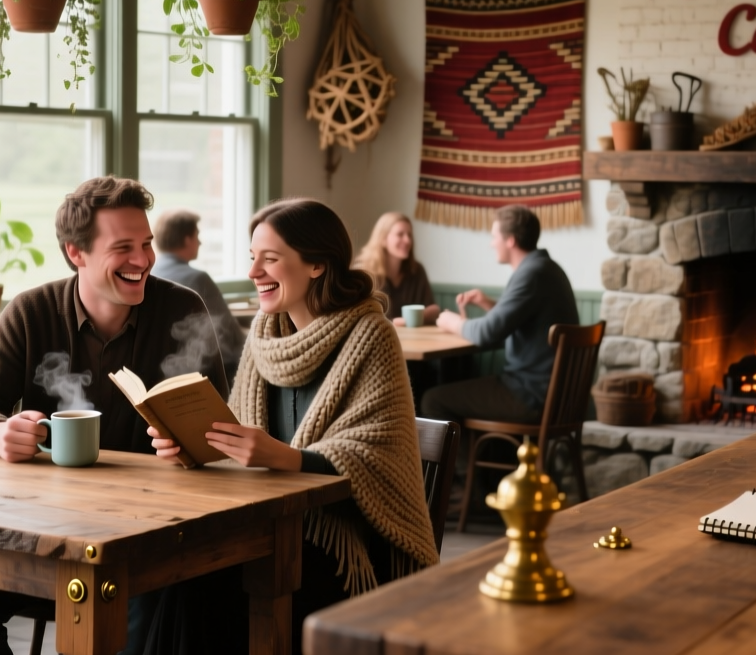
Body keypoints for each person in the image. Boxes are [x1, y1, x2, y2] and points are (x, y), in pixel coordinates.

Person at [0, 177, 227, 655]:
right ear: (77, 253)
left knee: (150, 614)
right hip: (40, 531)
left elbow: (218, 433)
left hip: (147, 537)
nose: (143, 260)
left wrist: (191, 444)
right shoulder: (31, 312)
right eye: (124, 247)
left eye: (147, 244)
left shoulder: (182, 310)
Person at [142, 198, 438, 653]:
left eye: (271, 259)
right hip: (269, 530)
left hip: (346, 545)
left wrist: (283, 457)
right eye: (252, 258)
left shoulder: (371, 336)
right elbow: (240, 437)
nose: (255, 272)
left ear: (317, 264)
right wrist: (193, 445)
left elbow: (376, 456)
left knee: (203, 584)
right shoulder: (266, 334)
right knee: (181, 576)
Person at [423, 205, 578, 425]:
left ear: (510, 240)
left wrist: (453, 322)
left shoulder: (531, 274)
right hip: (551, 394)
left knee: (432, 401)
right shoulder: (546, 268)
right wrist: (490, 305)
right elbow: (523, 320)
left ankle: (463, 461)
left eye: (494, 236)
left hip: (529, 394)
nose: (491, 243)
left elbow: (487, 333)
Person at [153, 208, 248, 377]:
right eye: (197, 235)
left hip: (163, 370)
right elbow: (231, 336)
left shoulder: (151, 275)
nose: (200, 242)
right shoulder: (197, 279)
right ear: (187, 239)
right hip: (200, 372)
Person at [353, 212, 440, 327]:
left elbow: (434, 308)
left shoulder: (417, 270)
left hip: (414, 339)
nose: (408, 240)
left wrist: (415, 317)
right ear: (383, 239)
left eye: (409, 235)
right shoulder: (363, 272)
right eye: (400, 234)